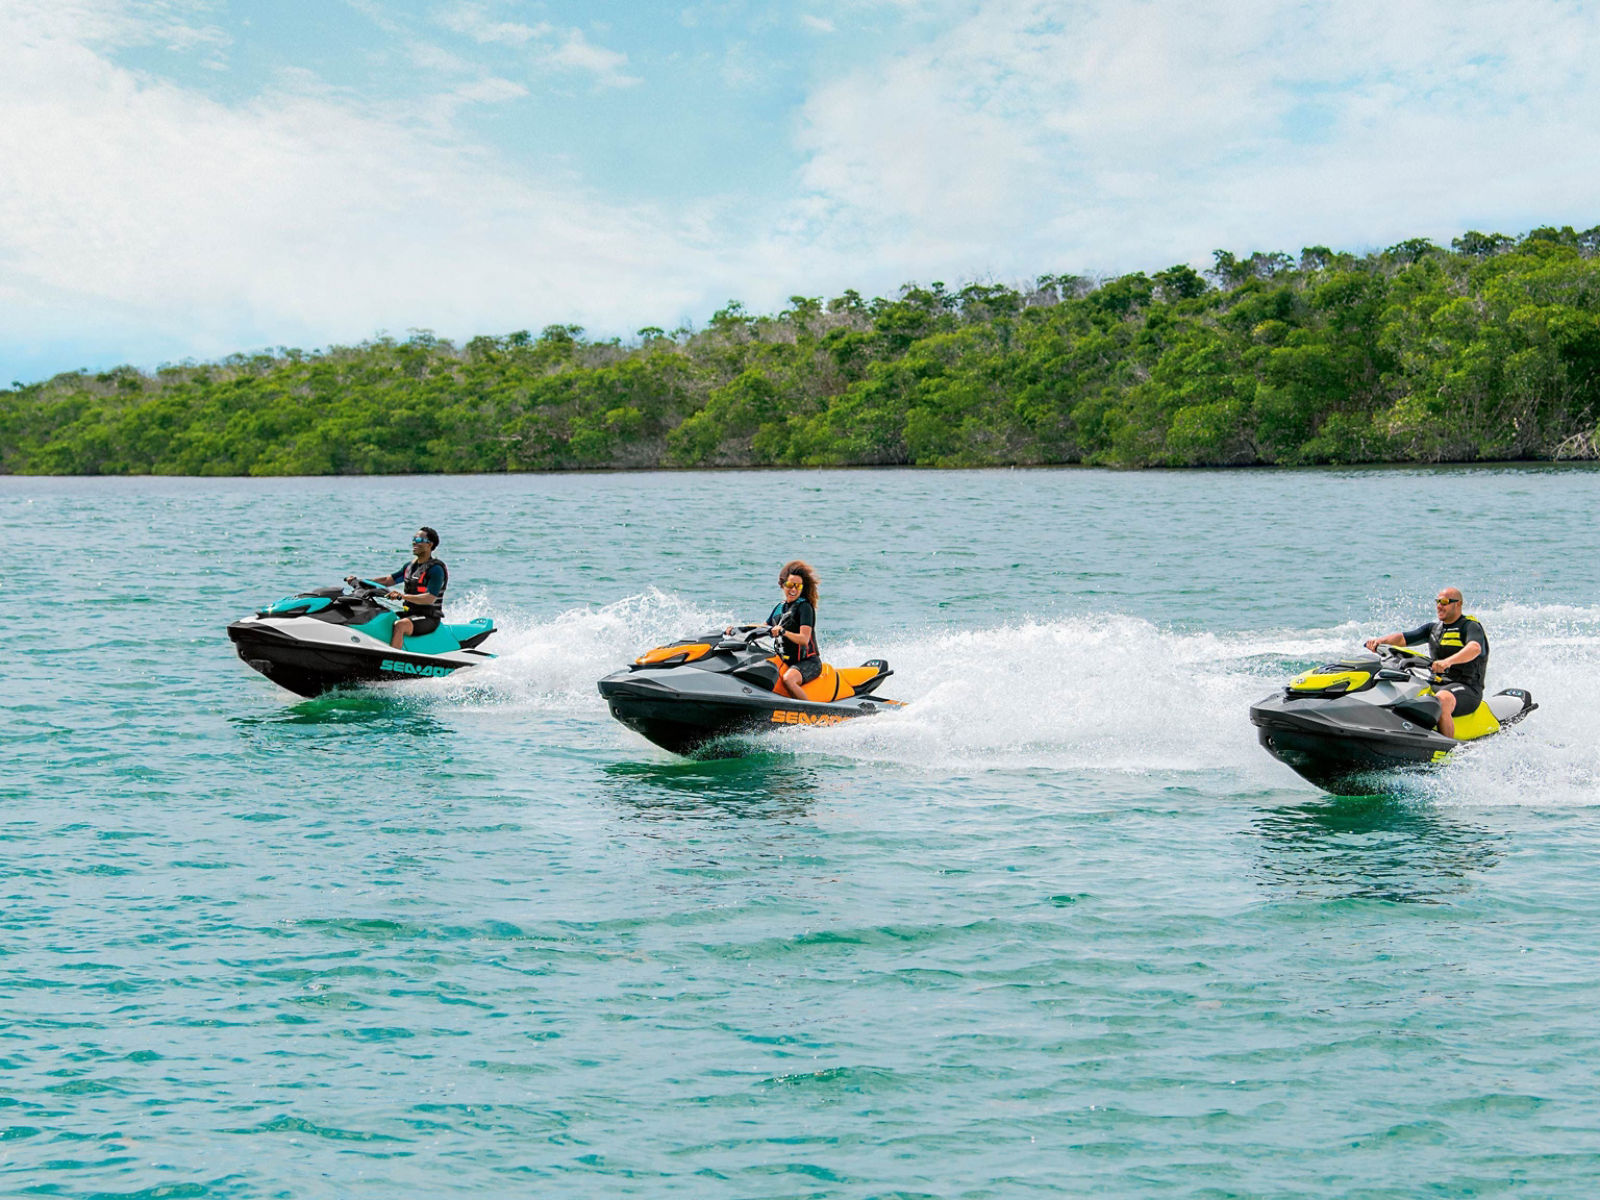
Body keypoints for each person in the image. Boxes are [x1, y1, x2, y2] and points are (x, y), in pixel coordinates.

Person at [1364, 587, 1487, 738]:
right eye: (1438, 601)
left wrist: (1447, 662)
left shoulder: (1470, 626)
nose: (1439, 606)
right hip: (1436, 683)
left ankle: (1447, 750)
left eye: (1445, 602)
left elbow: (1474, 648)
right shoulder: (1433, 629)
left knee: (1442, 700)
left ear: (1458, 604)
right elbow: (1402, 638)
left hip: (1466, 688)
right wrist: (1379, 641)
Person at [347, 526, 448, 650]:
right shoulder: (410, 567)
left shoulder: (436, 569)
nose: (414, 543)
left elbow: (430, 598)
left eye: (419, 540)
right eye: (414, 539)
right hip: (409, 613)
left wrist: (402, 596)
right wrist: (361, 581)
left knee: (400, 625)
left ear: (430, 545)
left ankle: (392, 660)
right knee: (381, 617)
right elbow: (387, 580)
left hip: (428, 618)